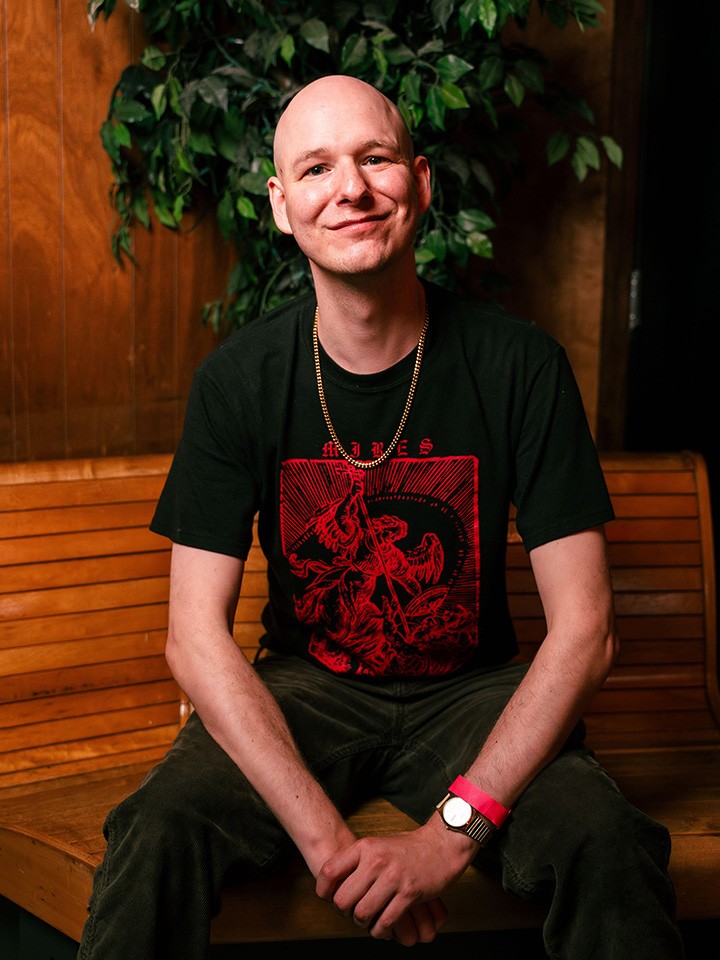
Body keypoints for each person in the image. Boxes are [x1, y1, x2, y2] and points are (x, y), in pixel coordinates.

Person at [77, 74, 684, 959]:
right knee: (156, 830)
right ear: (282, 206)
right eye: (316, 168)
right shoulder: (239, 381)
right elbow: (194, 640)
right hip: (307, 687)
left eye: (375, 159)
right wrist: (329, 845)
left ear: (422, 182)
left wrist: (447, 838)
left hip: (474, 691)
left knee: (607, 841)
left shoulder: (521, 366)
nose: (351, 189)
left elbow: (586, 632)